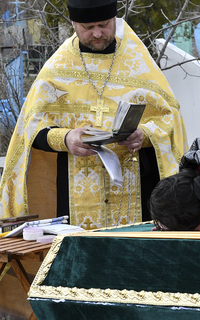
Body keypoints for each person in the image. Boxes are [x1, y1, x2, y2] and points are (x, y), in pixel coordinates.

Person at [0, 0, 187, 229]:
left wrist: (145, 134)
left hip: (136, 192)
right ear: (74, 24)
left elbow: (170, 118)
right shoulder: (56, 69)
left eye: (104, 24)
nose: (97, 33)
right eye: (88, 28)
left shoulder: (140, 65)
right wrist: (65, 139)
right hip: (72, 197)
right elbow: (29, 129)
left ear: (115, 20)